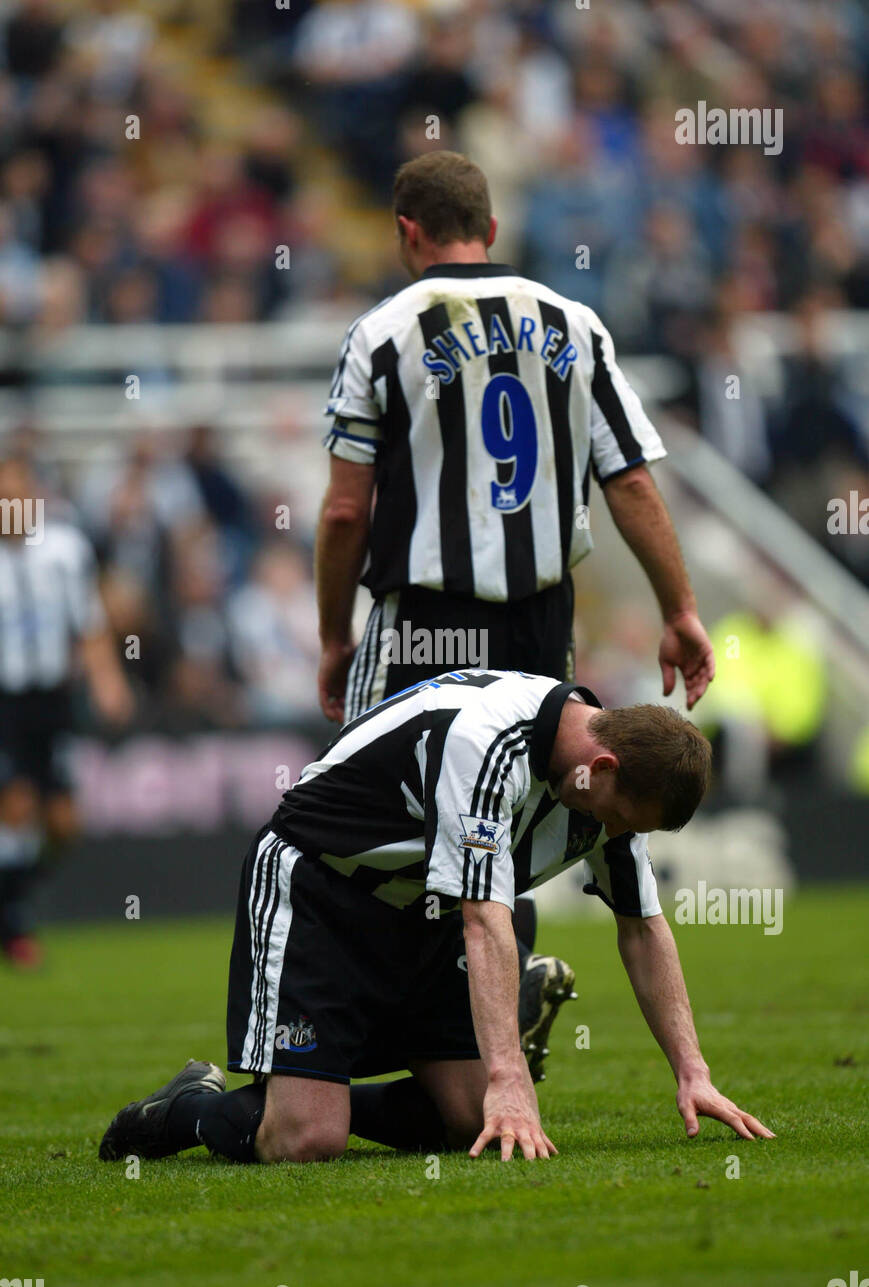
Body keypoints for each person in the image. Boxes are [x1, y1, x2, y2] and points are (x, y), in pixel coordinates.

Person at [314, 151, 715, 1078]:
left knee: (384, 811)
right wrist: (679, 607)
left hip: (421, 618)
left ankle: (395, 1041)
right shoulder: (575, 323)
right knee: (521, 806)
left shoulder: (381, 331)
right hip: (537, 623)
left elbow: (343, 511)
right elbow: (630, 482)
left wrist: (335, 634)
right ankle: (489, 1014)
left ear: (405, 231)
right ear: (490, 230)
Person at [99, 670, 773, 1166]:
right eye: (620, 818)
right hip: (321, 890)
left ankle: (313, 1090)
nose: (616, 834)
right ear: (600, 768)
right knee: (306, 1141)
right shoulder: (486, 743)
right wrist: (509, 1079)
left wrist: (692, 1071)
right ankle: (185, 1109)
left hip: (429, 908)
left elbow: (641, 925)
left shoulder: (604, 784)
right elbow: (484, 918)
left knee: (465, 1122)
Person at [0, 455, 133, 967]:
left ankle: (10, 898)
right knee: (14, 802)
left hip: (51, 701)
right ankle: (14, 926)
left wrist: (108, 682)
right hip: (4, 702)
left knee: (62, 823)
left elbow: (89, 625)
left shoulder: (64, 550)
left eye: (19, 493)